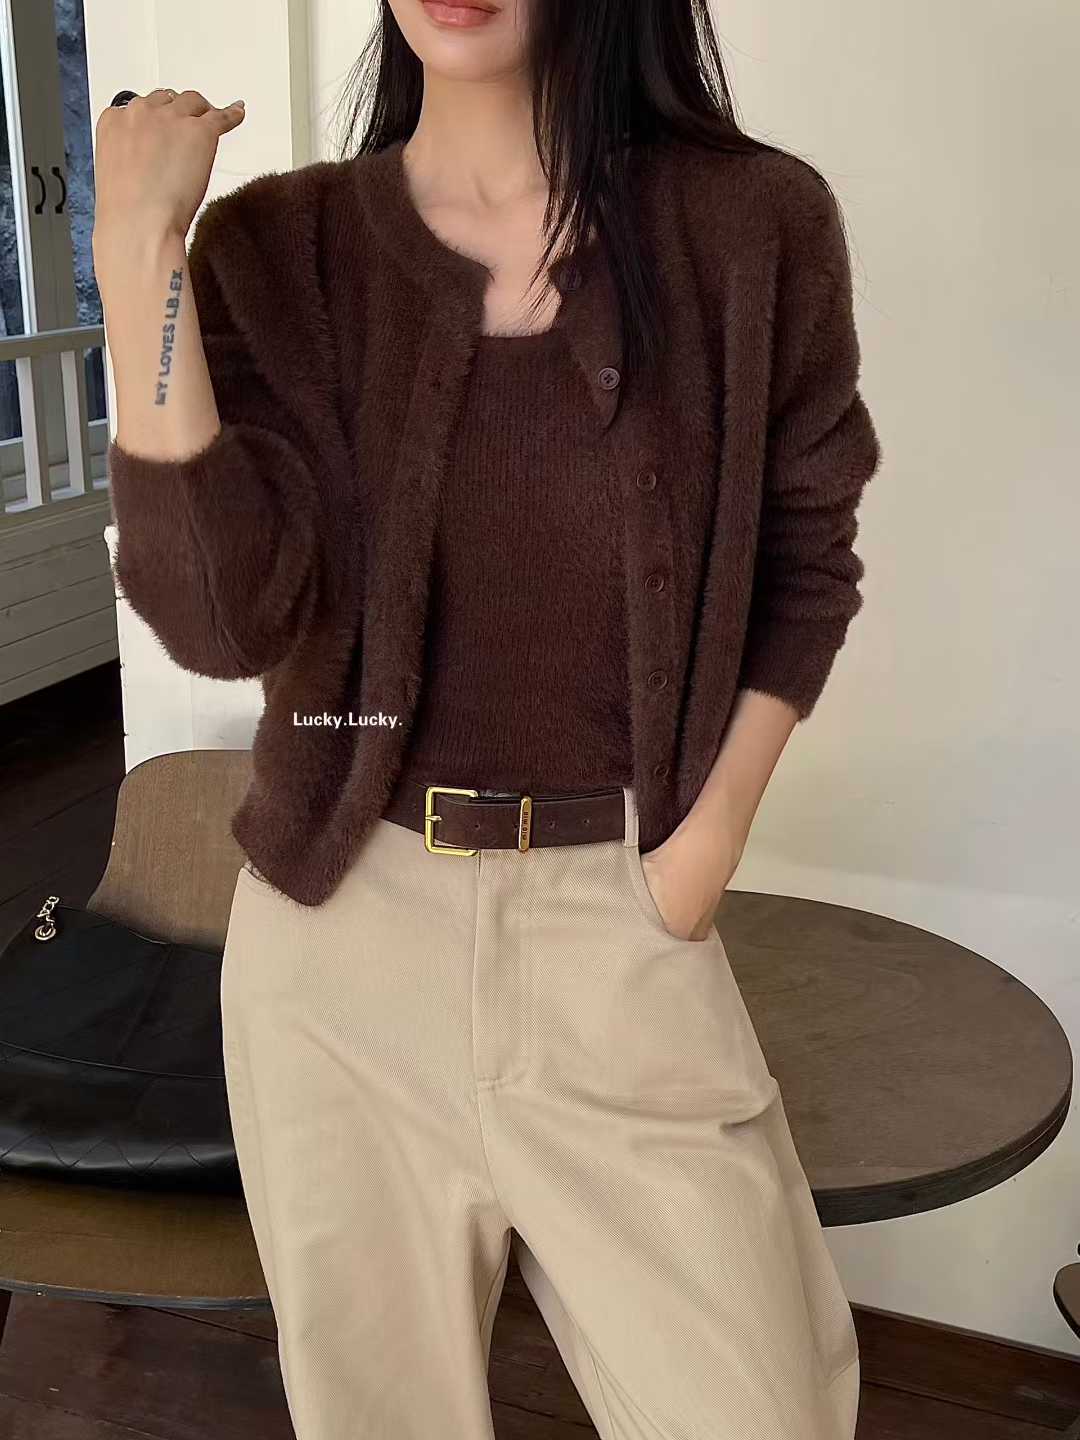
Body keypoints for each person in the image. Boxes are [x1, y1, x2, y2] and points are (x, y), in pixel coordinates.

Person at [93, 1, 882, 1435]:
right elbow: (217, 619)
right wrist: (140, 259)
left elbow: (806, 558)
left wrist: (698, 854)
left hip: (619, 928)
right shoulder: (282, 250)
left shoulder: (753, 227)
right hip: (340, 948)